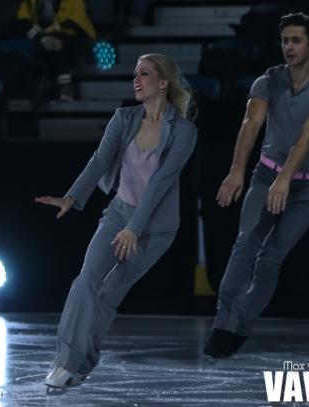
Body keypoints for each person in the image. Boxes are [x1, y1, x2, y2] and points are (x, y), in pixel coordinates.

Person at [35, 53, 197, 388]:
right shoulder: (124, 118)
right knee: (85, 281)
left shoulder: (183, 131)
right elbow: (99, 160)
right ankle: (66, 362)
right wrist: (72, 196)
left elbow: (161, 182)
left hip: (155, 227)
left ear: (163, 82)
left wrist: (134, 229)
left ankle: (83, 363)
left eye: (145, 74)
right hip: (119, 212)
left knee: (109, 293)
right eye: (135, 74)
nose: (136, 80)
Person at [204, 12, 309, 358]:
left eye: (297, 40)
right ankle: (223, 324)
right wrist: (237, 171)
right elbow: (251, 124)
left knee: (270, 258)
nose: (289, 47)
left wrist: (285, 180)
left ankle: (241, 325)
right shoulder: (268, 80)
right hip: (266, 175)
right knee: (245, 242)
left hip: (308, 188)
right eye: (285, 40)